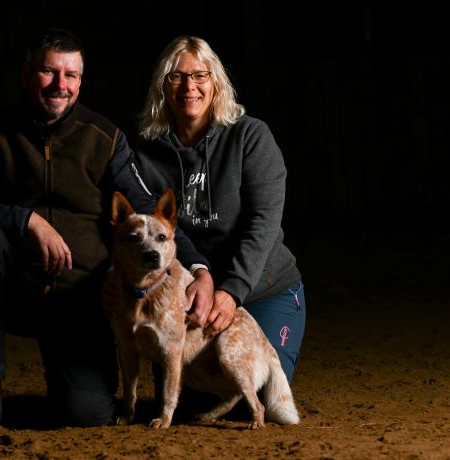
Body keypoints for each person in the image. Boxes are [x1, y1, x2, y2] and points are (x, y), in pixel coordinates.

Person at [0, 29, 209, 433]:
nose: (60, 85)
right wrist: (26, 220)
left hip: (82, 298)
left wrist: (199, 268)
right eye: (49, 72)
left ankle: (70, 381)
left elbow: (150, 214)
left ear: (81, 81)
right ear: (27, 74)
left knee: (87, 413)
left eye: (71, 75)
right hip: (14, 290)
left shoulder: (106, 138)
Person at [133, 36, 306, 406]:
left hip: (262, 290)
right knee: (193, 403)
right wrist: (196, 279)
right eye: (177, 77)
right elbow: (152, 236)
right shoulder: (146, 156)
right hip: (194, 294)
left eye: (200, 75)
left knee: (256, 395)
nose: (189, 86)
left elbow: (263, 223)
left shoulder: (251, 136)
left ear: (216, 82)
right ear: (162, 87)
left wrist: (231, 291)